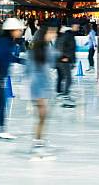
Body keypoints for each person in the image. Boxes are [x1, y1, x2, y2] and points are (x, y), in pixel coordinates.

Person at [27, 23, 58, 158]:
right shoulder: (36, 49)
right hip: (37, 85)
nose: (54, 35)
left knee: (43, 117)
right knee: (42, 116)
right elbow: (29, 68)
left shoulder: (47, 47)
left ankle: (39, 143)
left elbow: (52, 61)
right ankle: (38, 146)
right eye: (51, 32)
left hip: (43, 85)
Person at [55, 20, 78, 107]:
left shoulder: (70, 35)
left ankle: (63, 94)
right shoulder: (67, 35)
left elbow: (71, 49)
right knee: (68, 78)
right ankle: (64, 96)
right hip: (63, 60)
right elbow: (60, 45)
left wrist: (73, 61)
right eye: (76, 25)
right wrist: (63, 57)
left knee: (64, 78)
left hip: (66, 60)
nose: (78, 27)